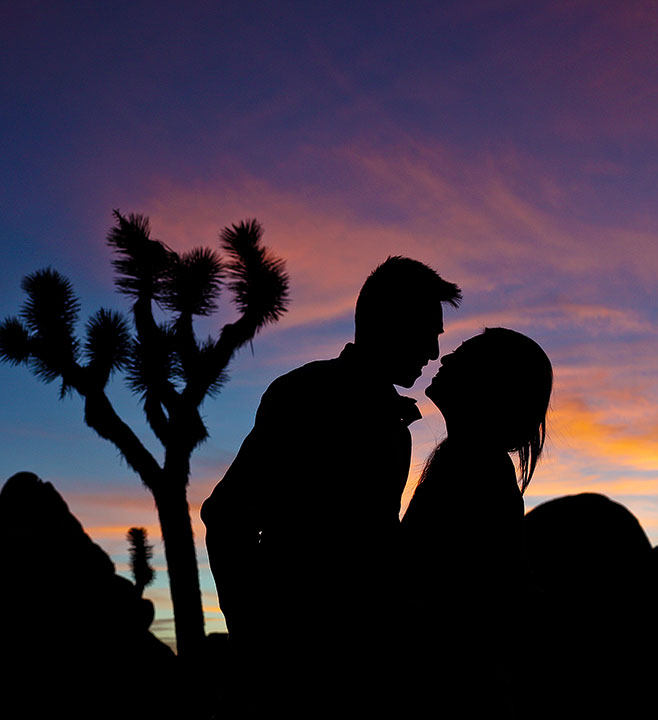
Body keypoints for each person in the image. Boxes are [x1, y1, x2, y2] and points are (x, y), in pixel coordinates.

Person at [201, 256, 461, 715]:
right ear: (389, 323)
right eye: (428, 332)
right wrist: (256, 631)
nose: (434, 351)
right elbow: (227, 515)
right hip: (298, 669)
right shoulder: (307, 394)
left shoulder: (389, 422)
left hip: (358, 668)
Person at [400, 327, 552, 718]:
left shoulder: (476, 468)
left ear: (491, 383)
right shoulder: (471, 462)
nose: (445, 359)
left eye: (463, 355)